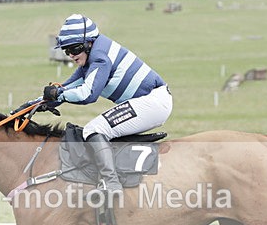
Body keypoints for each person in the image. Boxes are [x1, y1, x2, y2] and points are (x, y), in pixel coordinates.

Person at [41, 13, 172, 200]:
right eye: (66, 50)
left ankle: (111, 183)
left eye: (74, 49)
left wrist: (59, 95)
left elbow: (88, 94)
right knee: (99, 129)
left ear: (89, 43)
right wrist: (39, 101)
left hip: (153, 102)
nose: (71, 55)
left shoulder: (100, 58)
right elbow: (66, 87)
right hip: (150, 101)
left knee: (94, 129)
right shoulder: (92, 55)